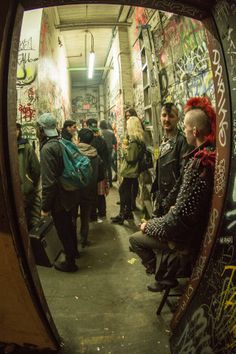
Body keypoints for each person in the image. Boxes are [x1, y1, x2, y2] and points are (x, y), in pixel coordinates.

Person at [129, 96, 216, 291]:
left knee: (135, 239)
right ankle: (164, 272)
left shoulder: (199, 162)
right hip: (179, 220)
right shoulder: (199, 155)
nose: (183, 129)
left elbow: (177, 220)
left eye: (184, 125)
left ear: (194, 130)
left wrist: (150, 225)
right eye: (164, 115)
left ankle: (164, 273)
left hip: (183, 234)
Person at [36, 113, 80, 272]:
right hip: (70, 193)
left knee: (63, 230)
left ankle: (70, 263)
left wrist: (45, 207)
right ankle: (74, 253)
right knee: (70, 226)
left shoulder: (48, 148)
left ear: (41, 129)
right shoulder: (61, 142)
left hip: (59, 199)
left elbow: (49, 183)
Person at [151, 102, 192, 217]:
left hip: (172, 203)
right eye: (164, 115)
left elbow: (183, 177)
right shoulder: (163, 140)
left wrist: (168, 202)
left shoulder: (182, 142)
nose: (167, 119)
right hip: (161, 199)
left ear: (178, 118)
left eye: (171, 116)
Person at [111, 116, 145, 224]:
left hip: (130, 171)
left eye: (127, 124)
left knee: (122, 190)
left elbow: (130, 158)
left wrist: (124, 149)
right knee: (127, 191)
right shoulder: (138, 139)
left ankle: (122, 215)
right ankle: (128, 213)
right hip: (133, 171)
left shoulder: (134, 141)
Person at [77, 128, 104, 247]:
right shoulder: (96, 155)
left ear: (78, 139)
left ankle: (72, 243)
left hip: (74, 189)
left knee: (72, 216)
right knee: (85, 215)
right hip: (89, 189)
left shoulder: (73, 152)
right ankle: (84, 238)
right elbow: (100, 176)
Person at [17, 122, 41, 230]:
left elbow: (36, 169)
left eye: (16, 129)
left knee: (25, 221)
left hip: (25, 192)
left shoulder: (26, 148)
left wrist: (30, 182)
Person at [86, 118, 109, 220]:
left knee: (92, 192)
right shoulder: (102, 140)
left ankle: (93, 214)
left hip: (91, 170)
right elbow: (106, 156)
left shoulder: (88, 141)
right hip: (101, 169)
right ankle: (102, 212)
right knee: (100, 193)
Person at [99, 120, 117, 187]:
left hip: (102, 152)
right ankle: (110, 183)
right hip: (109, 151)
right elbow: (114, 142)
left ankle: (104, 183)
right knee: (109, 167)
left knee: (103, 167)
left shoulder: (99, 133)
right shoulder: (111, 132)